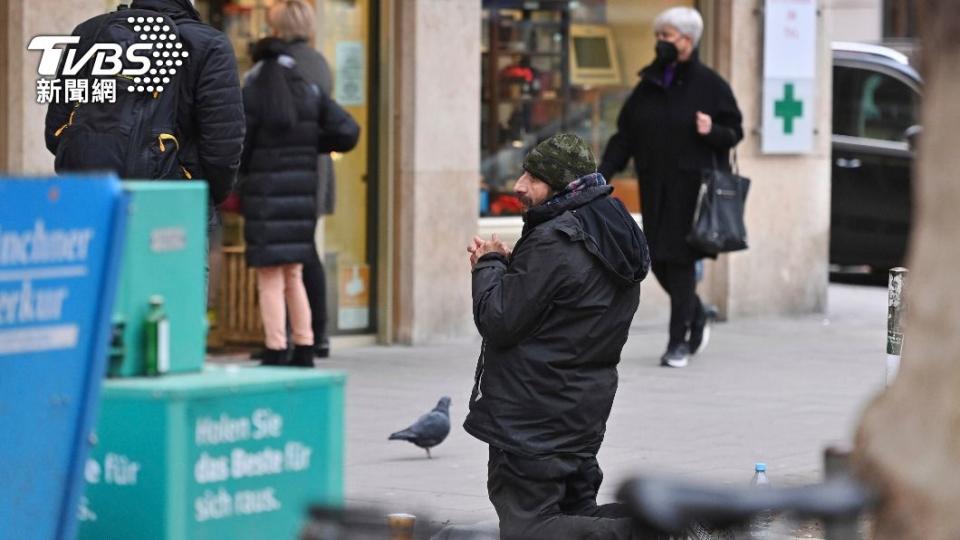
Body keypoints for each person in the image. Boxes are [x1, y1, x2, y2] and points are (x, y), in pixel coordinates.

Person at [465, 133, 651, 540]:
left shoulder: (554, 239)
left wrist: (489, 264)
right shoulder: (612, 227)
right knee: (574, 511)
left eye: (532, 177)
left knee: (528, 527)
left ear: (562, 184)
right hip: (580, 410)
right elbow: (571, 300)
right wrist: (518, 271)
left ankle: (654, 531)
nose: (518, 186)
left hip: (535, 416)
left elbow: (499, 320)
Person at [598, 7, 743, 369]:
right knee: (658, 261)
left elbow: (734, 132)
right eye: (658, 36)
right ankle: (696, 314)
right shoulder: (649, 83)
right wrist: (603, 174)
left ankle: (678, 342)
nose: (660, 42)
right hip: (654, 185)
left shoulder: (711, 85)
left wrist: (712, 131)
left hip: (691, 190)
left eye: (667, 36)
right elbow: (625, 135)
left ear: (688, 41)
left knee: (678, 262)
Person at [45, 0, 245, 209]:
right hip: (172, 203)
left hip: (89, 197)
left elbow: (55, 131)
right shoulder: (209, 44)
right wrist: (199, 193)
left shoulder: (88, 33)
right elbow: (223, 150)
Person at [239, 37, 359, 367]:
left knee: (269, 278)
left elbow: (241, 147)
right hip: (302, 199)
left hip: (264, 198)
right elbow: (349, 131)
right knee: (294, 273)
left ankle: (276, 347)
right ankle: (304, 346)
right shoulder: (309, 91)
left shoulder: (252, 92)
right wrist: (314, 143)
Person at [267, 0, 336, 358]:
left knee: (301, 253)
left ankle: (308, 334)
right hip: (314, 167)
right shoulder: (318, 62)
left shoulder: (288, 65)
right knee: (304, 250)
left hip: (296, 169)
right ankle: (308, 333)